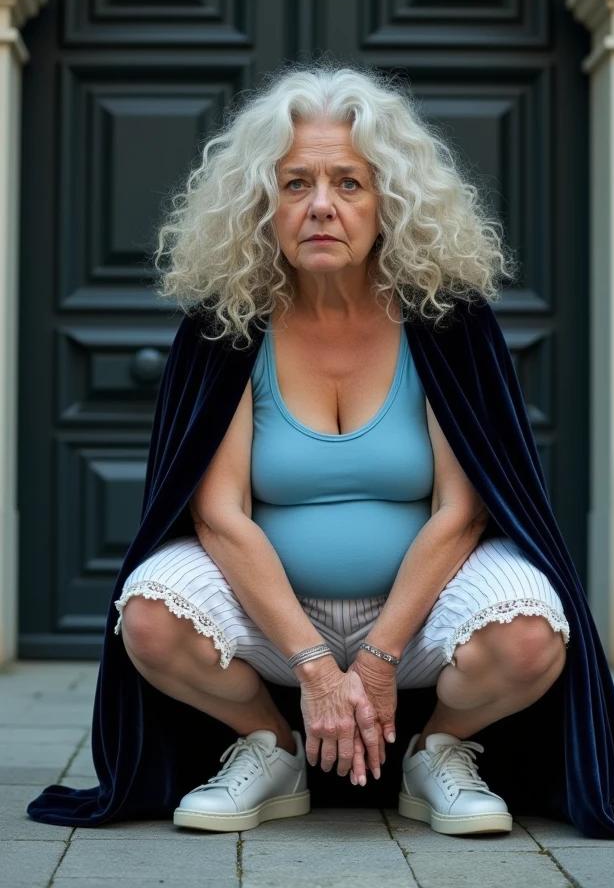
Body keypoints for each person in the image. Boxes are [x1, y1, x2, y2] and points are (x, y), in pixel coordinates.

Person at [111, 63, 571, 835]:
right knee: (150, 619)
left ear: (388, 200)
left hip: (423, 614)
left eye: (349, 183)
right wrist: (313, 667)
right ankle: (271, 744)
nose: (322, 206)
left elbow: (462, 513)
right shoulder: (229, 324)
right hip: (272, 615)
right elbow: (220, 516)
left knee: (530, 637)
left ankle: (438, 753)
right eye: (296, 184)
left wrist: (383, 657)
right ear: (263, 203)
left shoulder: (446, 322)